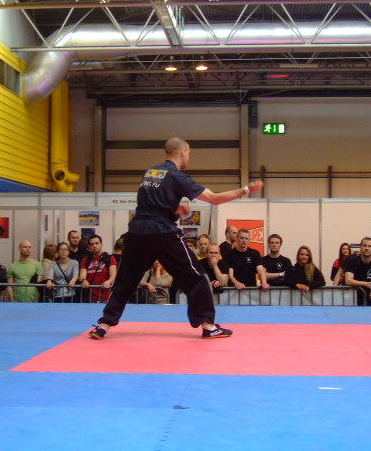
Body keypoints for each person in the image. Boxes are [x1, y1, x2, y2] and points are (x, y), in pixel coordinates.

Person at [89, 137, 264, 340]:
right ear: (183, 152)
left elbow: (150, 206)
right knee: (197, 276)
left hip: (137, 231)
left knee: (125, 279)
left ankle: (103, 325)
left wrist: (175, 209)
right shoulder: (177, 176)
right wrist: (247, 189)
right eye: (188, 153)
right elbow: (215, 199)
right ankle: (208, 326)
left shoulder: (150, 172)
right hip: (162, 232)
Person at [79, 234, 117, 303]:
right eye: (92, 244)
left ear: (101, 244)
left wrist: (108, 282)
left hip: (105, 298)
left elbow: (113, 275)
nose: (94, 246)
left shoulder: (110, 258)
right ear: (89, 247)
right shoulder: (86, 260)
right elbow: (82, 275)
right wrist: (84, 280)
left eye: (97, 243)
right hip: (89, 298)